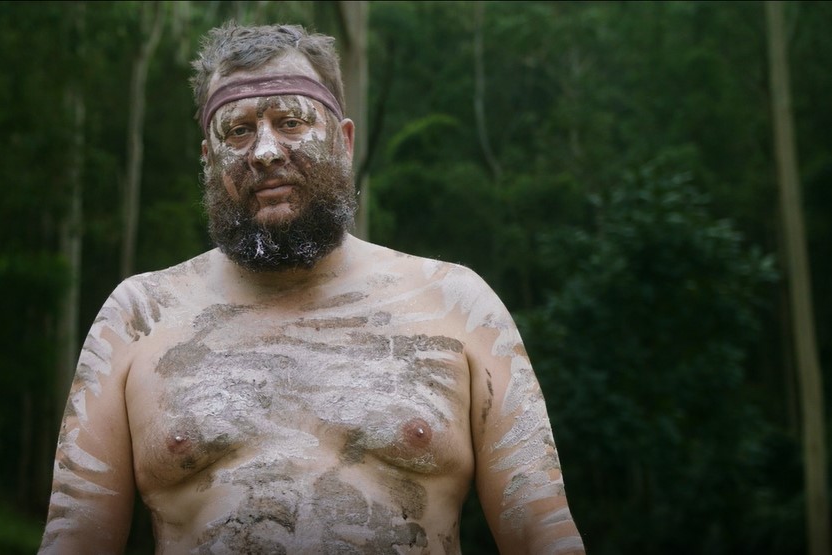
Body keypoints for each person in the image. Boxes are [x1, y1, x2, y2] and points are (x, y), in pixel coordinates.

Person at [40, 22, 584, 555]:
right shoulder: (140, 317)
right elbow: (75, 540)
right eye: (239, 130)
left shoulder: (456, 305)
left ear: (344, 142)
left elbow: (543, 533)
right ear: (208, 158)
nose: (267, 151)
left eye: (291, 122)